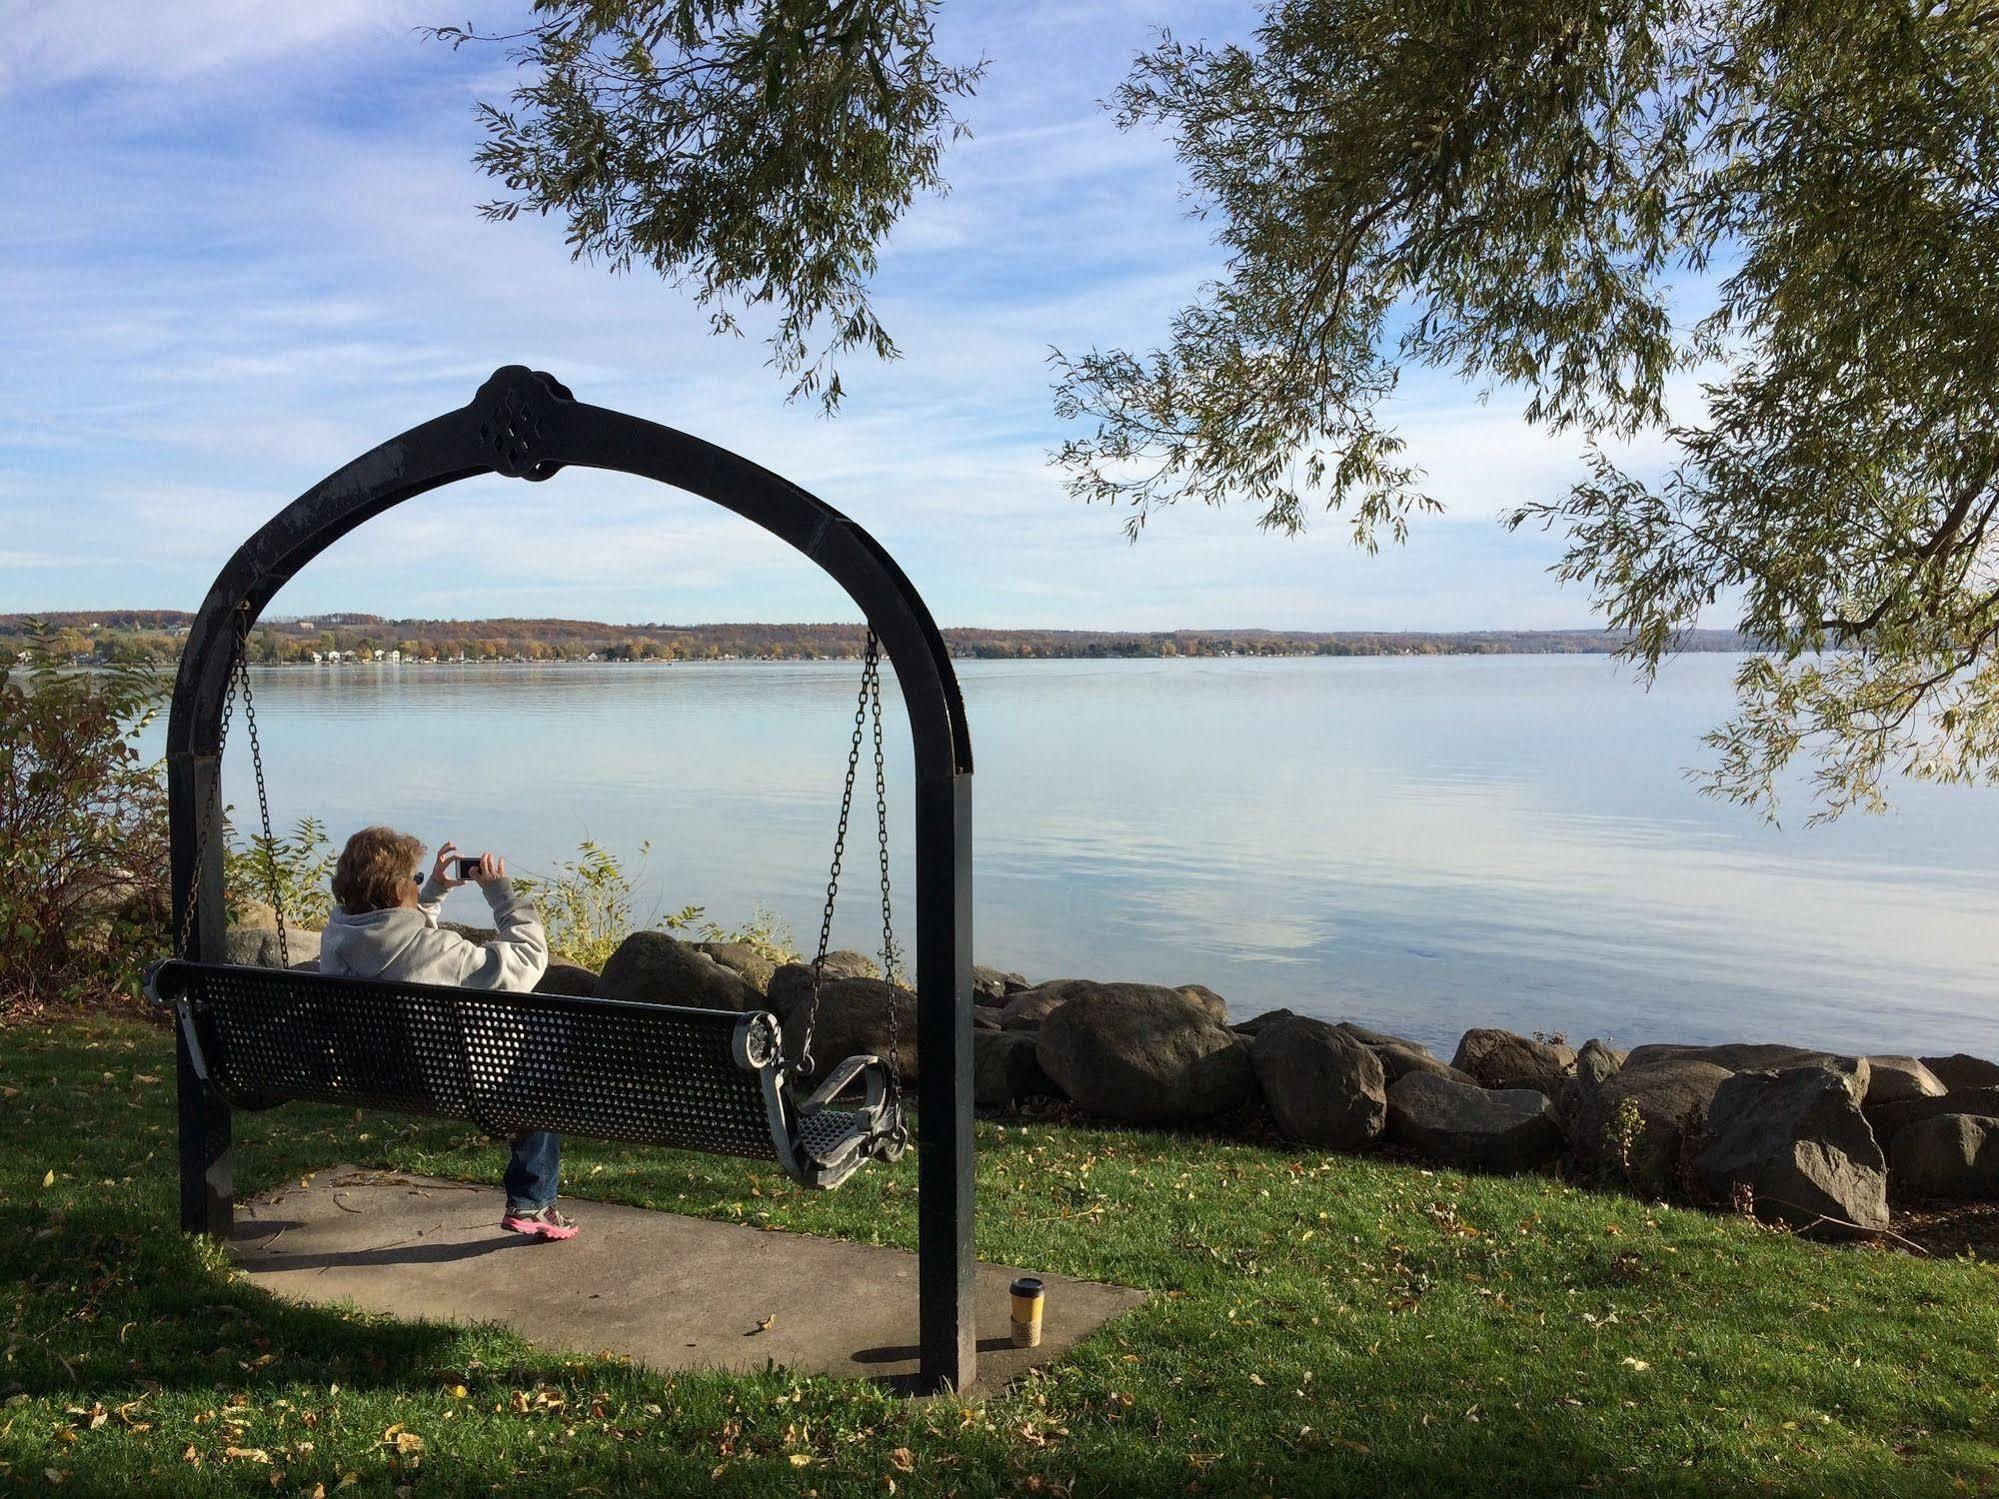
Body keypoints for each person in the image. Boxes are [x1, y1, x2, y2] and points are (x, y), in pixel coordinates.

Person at [318, 825, 577, 1241]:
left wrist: (433, 891)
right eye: (415, 880)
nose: (419, 886)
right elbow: (528, 959)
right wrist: (502, 896)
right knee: (543, 1039)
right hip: (458, 1086)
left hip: (377, 1076)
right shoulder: (441, 954)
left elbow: (396, 939)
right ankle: (532, 1200)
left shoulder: (337, 936)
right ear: (398, 888)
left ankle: (534, 1198)